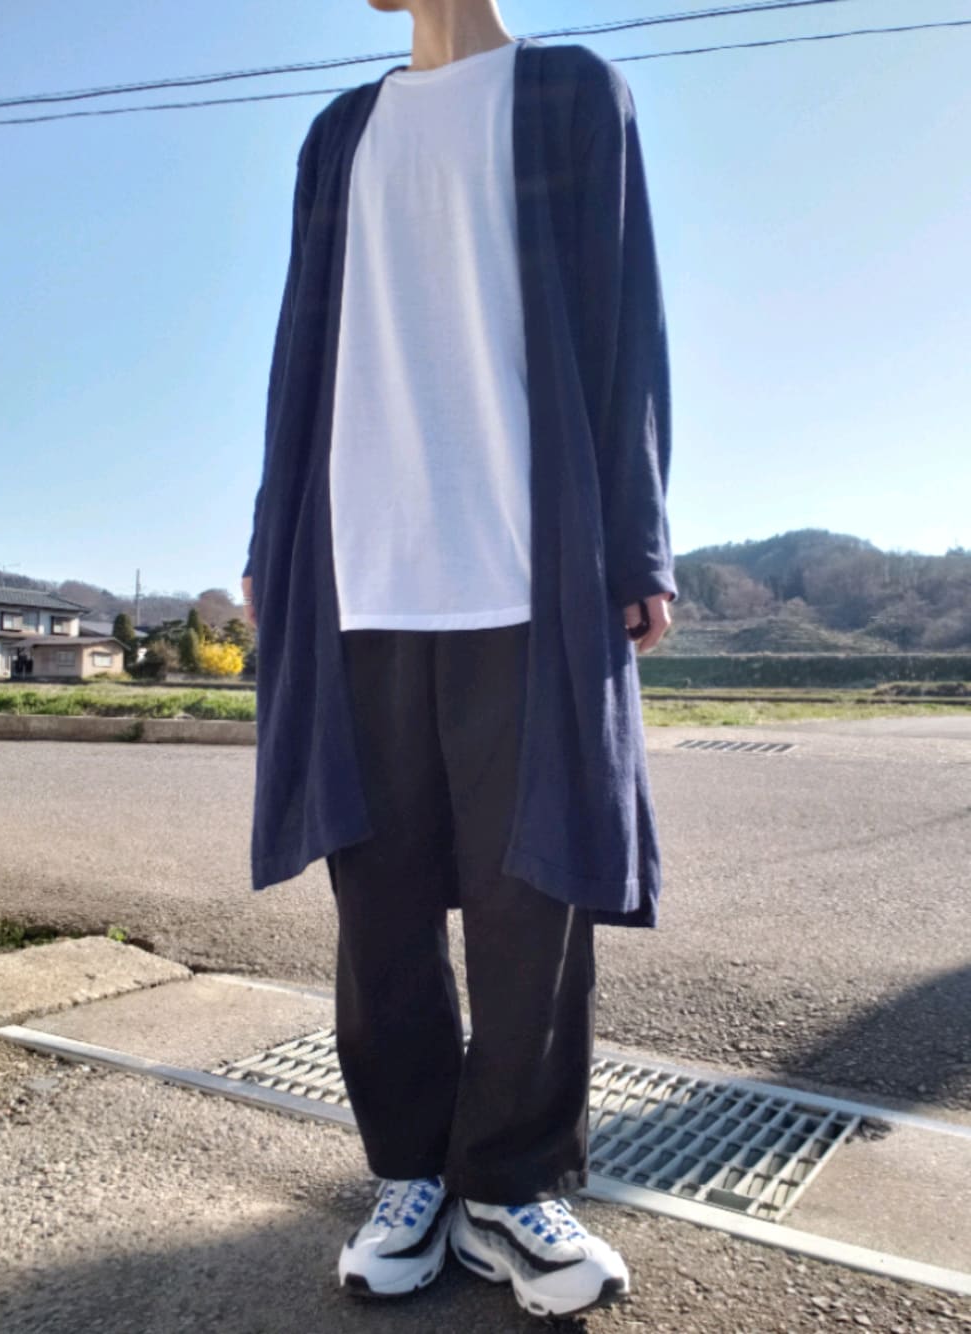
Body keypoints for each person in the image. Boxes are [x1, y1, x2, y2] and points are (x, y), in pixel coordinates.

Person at [242, 0, 677, 1319]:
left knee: (531, 899)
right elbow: (298, 353)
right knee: (377, 901)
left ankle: (509, 1184)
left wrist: (637, 538)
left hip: (523, 572)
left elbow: (628, 326)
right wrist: (270, 541)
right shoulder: (340, 136)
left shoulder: (574, 96)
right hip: (359, 571)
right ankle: (412, 1173)